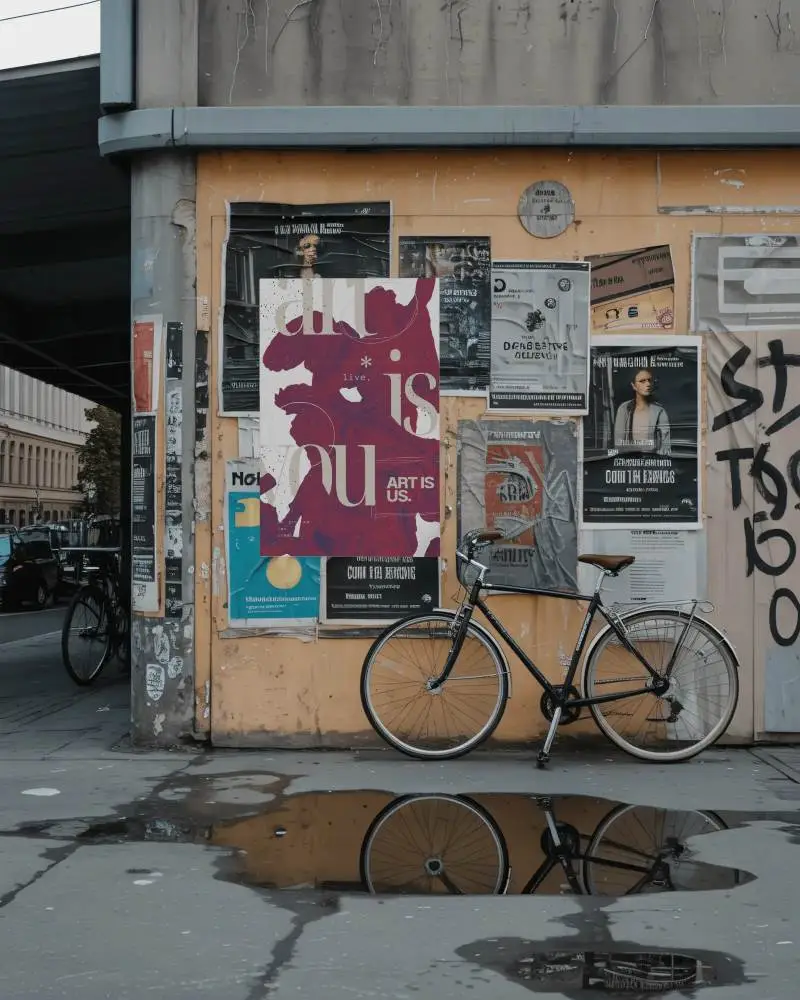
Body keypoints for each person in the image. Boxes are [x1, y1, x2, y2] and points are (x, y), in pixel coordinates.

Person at [613, 368, 671, 455]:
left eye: (649, 380)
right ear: (633, 385)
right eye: (642, 381)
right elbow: (618, 444)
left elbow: (666, 447)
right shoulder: (624, 409)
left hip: (652, 462)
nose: (648, 384)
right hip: (628, 462)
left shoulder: (659, 411)